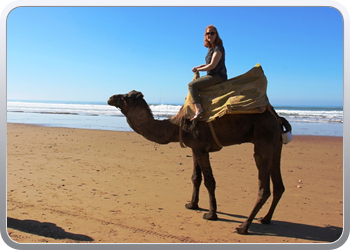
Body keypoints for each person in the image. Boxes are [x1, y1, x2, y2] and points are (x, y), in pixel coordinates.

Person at [188, 25, 228, 121]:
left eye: (212, 33)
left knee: (192, 85)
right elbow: (207, 64)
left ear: (216, 35)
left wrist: (198, 70)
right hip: (211, 75)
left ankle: (199, 110)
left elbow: (212, 66)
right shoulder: (211, 49)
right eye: (207, 33)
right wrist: (197, 67)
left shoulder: (219, 48)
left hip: (218, 76)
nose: (209, 35)